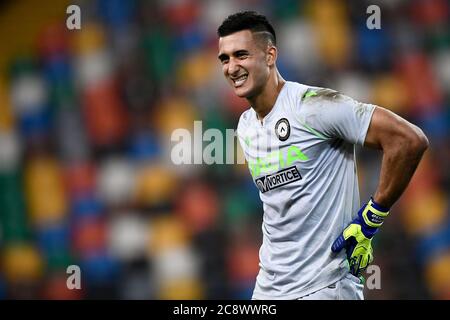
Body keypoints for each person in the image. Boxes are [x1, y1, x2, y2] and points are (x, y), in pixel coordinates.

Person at [217, 11, 429, 300]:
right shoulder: (246, 126)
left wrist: (371, 218)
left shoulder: (313, 107)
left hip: (324, 288)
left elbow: (409, 140)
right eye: (225, 58)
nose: (231, 67)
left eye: (241, 55)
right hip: (270, 289)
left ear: (270, 55)